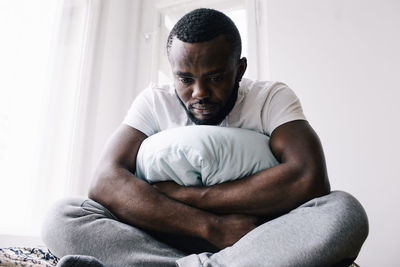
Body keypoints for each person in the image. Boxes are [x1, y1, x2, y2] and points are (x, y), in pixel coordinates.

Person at [42, 8, 368, 267]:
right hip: (165, 236)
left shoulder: (271, 97)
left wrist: (191, 196)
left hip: (255, 238)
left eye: (214, 77)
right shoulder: (154, 101)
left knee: (343, 211)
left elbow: (308, 178)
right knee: (63, 216)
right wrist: (210, 227)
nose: (199, 93)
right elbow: (105, 182)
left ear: (239, 70)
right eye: (185, 79)